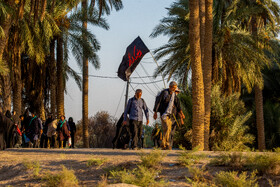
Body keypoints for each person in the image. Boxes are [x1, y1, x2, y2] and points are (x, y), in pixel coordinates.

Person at [153, 81, 184, 150]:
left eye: (175, 88)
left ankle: (164, 145)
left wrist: (181, 113)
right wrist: (155, 112)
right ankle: (166, 144)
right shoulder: (164, 93)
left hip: (170, 115)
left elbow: (178, 104)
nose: (174, 90)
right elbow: (158, 102)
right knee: (167, 128)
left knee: (167, 130)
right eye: (173, 88)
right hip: (164, 114)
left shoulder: (174, 95)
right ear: (170, 87)